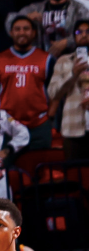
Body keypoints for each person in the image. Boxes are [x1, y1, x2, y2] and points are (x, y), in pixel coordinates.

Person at [0, 16, 56, 150]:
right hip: (9, 126)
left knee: (42, 163)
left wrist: (50, 117)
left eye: (26, 29)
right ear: (11, 33)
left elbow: (55, 91)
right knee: (5, 163)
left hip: (39, 125)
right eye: (17, 29)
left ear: (34, 33)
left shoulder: (46, 59)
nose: (22, 32)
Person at [8, 0, 89, 57]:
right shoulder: (35, 8)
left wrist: (67, 42)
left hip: (71, 58)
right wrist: (26, 18)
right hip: (39, 58)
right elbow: (9, 22)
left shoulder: (78, 8)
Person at [47, 19, 89, 160]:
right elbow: (53, 93)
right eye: (79, 32)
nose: (84, 35)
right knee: (74, 171)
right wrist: (73, 74)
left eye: (88, 31)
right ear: (74, 36)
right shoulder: (64, 61)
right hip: (73, 127)